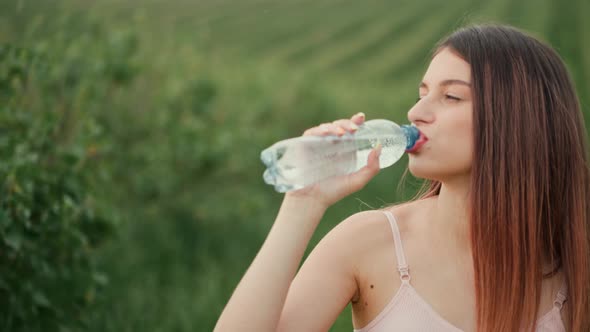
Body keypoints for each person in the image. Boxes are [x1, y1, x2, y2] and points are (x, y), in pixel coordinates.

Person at [214, 24, 590, 332]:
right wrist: (303, 203)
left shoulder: (576, 262)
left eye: (451, 98)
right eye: (422, 93)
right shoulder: (369, 243)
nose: (415, 112)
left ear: (518, 120)